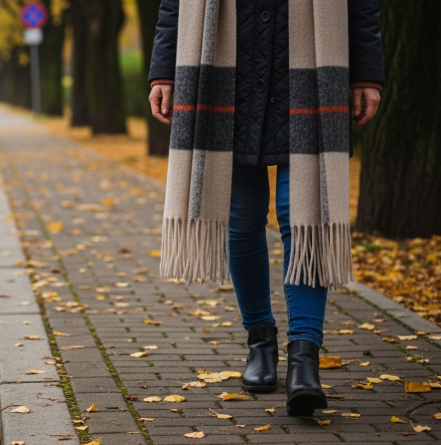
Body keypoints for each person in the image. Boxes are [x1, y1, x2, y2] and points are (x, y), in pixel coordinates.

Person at [148, 0, 383, 415]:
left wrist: (367, 71)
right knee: (242, 216)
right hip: (227, 63)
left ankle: (304, 358)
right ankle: (260, 341)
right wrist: (164, 70)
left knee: (305, 216)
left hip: (309, 60)